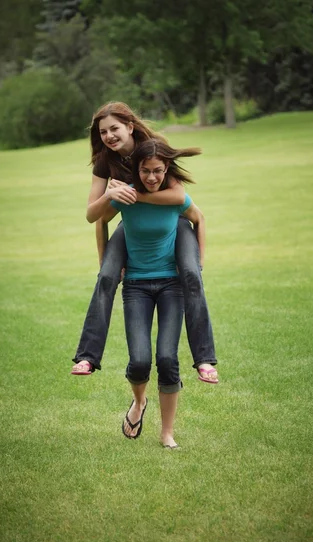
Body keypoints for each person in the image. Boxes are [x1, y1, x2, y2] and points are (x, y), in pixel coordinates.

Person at [71, 102, 218, 384]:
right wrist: (111, 195)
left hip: (173, 221)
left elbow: (178, 198)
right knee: (105, 278)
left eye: (114, 128)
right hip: (131, 223)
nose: (109, 136)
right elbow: (94, 215)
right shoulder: (105, 161)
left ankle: (204, 358)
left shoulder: (151, 148)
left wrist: (134, 195)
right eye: (103, 132)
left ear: (129, 126)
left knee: (191, 274)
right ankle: (87, 356)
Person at [101, 139, 206, 448]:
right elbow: (99, 220)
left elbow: (200, 219)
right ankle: (139, 402)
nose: (151, 177)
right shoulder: (126, 197)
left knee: (167, 358)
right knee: (139, 361)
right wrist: (108, 262)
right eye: (145, 171)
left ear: (166, 169)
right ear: (137, 169)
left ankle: (167, 433)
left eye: (158, 171)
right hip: (136, 286)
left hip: (172, 284)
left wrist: (198, 264)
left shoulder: (175, 198)